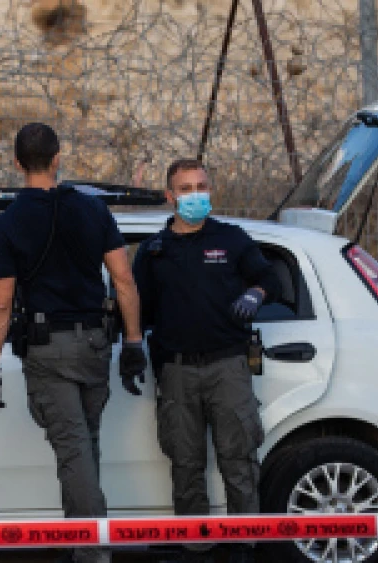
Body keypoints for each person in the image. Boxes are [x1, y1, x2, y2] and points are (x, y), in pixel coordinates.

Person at [0, 123, 147, 563]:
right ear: (58, 159)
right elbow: (123, 279)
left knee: (74, 450)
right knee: (84, 444)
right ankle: (85, 541)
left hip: (48, 347)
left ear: (17, 164)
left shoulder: (8, 224)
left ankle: (93, 553)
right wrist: (132, 343)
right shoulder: (92, 211)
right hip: (95, 342)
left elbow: (0, 303)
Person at [132, 159, 281, 563]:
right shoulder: (153, 251)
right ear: (170, 196)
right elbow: (136, 310)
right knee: (185, 461)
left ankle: (244, 543)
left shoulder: (232, 239)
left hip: (227, 366)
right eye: (185, 188)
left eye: (201, 186)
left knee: (239, 457)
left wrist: (256, 294)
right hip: (176, 370)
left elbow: (271, 279)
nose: (195, 195)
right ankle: (194, 545)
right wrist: (129, 346)